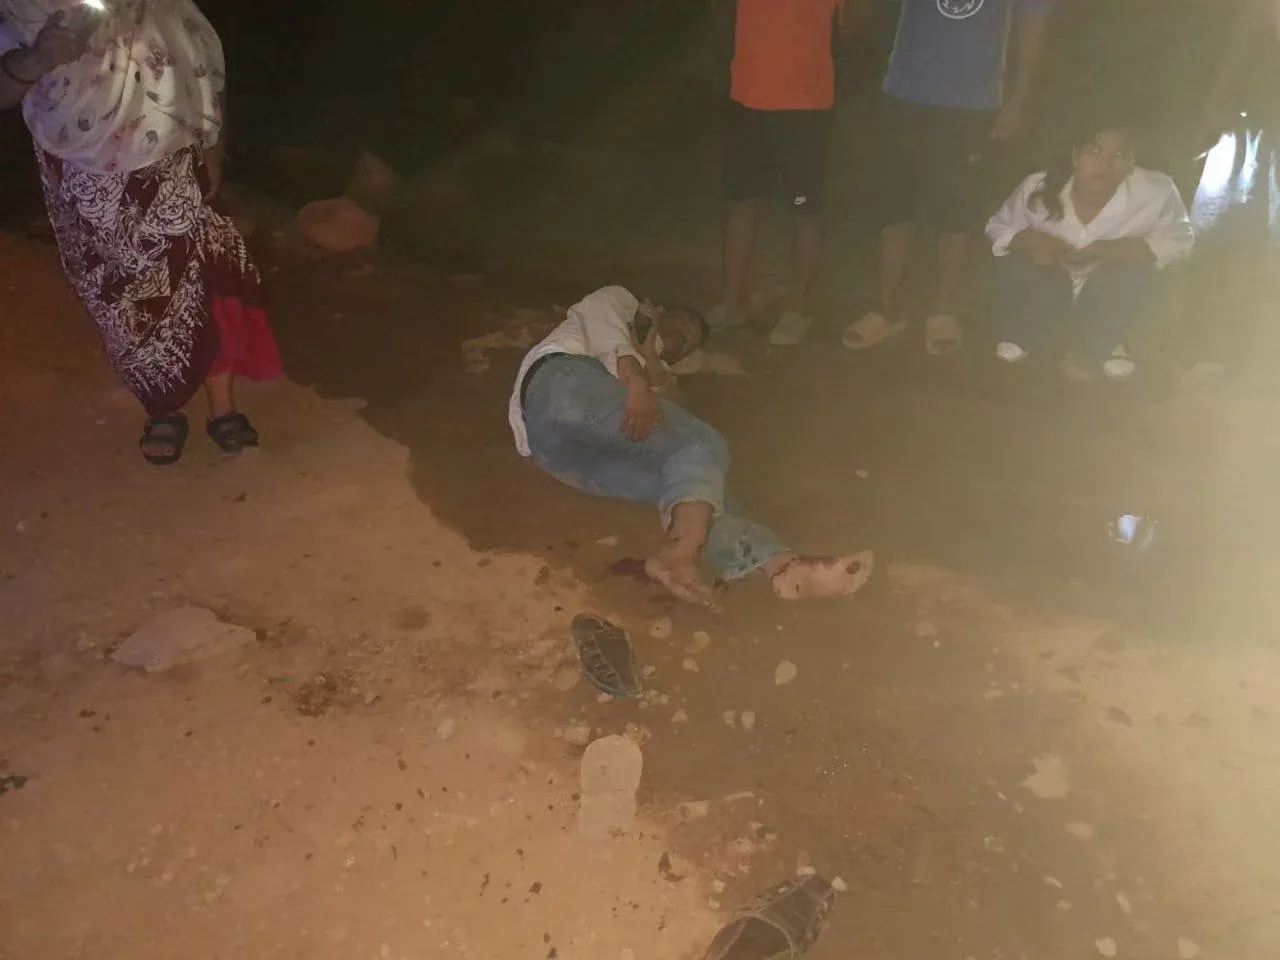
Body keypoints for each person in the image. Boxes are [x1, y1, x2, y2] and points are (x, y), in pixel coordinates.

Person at [0, 0, 282, 465]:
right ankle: (162, 408)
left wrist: (215, 148)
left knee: (200, 277)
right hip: (81, 170)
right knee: (122, 297)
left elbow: (199, 57)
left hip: (171, 147)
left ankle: (223, 406)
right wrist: (35, 60)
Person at [509, 286, 873, 607]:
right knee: (702, 443)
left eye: (688, 342)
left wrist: (653, 364)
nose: (682, 338)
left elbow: (677, 432)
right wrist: (637, 378)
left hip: (557, 453)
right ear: (656, 312)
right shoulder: (621, 301)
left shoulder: (653, 371)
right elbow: (605, 325)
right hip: (563, 382)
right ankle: (679, 554)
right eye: (682, 325)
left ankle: (781, 567)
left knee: (696, 491)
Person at [842, 0, 1052, 356]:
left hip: (973, 103)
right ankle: (886, 311)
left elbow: (1034, 23)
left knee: (957, 213)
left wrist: (1021, 98)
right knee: (894, 209)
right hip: (904, 95)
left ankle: (943, 312)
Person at [707, 0, 870, 347]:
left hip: (806, 106)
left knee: (805, 209)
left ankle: (797, 308)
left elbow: (852, 28)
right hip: (747, 98)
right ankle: (733, 302)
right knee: (741, 202)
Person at [985, 122, 1194, 380]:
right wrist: (1032, 241)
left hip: (1107, 287)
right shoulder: (1038, 186)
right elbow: (998, 226)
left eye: (1119, 155)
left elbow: (1182, 239)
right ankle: (1025, 330)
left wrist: (1125, 250)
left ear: (1131, 161)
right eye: (1094, 151)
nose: (1105, 164)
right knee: (1016, 265)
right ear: (1075, 156)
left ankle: (1106, 340)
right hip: (1049, 282)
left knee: (1139, 275)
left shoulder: (1157, 191)